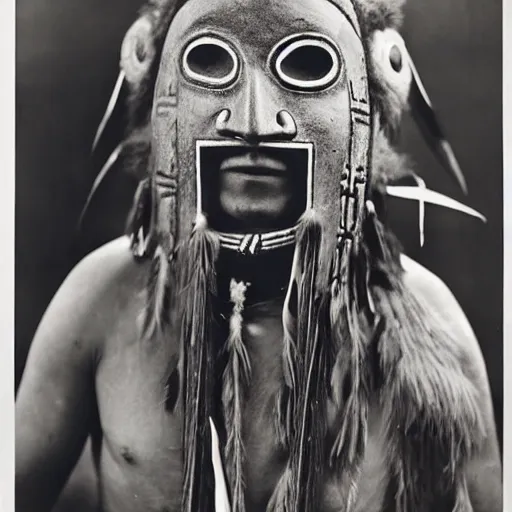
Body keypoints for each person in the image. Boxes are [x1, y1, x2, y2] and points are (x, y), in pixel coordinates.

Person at [15, 0, 502, 511]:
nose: (254, 121)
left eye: (308, 66)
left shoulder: (435, 322)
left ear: (369, 105)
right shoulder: (101, 302)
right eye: (210, 62)